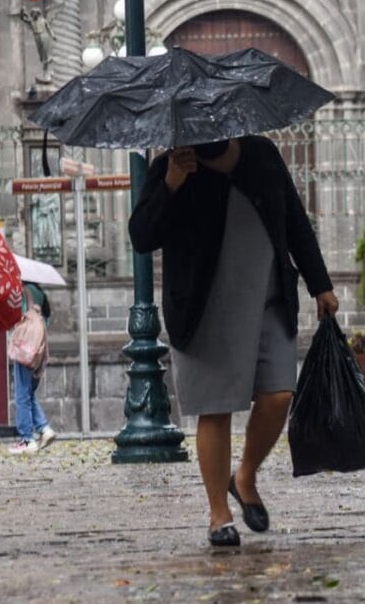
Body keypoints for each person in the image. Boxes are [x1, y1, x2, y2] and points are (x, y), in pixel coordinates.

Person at [129, 136, 339, 547]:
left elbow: (295, 221)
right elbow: (142, 236)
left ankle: (244, 476)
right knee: (216, 408)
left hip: (268, 298)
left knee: (279, 394)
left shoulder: (261, 153)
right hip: (204, 307)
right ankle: (218, 515)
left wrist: (321, 284)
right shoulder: (171, 163)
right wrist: (172, 183)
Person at [8, 281, 58, 455]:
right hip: (39, 350)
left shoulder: (23, 292)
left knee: (21, 395)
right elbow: (48, 318)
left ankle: (27, 439)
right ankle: (44, 428)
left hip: (25, 350)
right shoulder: (39, 294)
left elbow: (16, 316)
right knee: (28, 394)